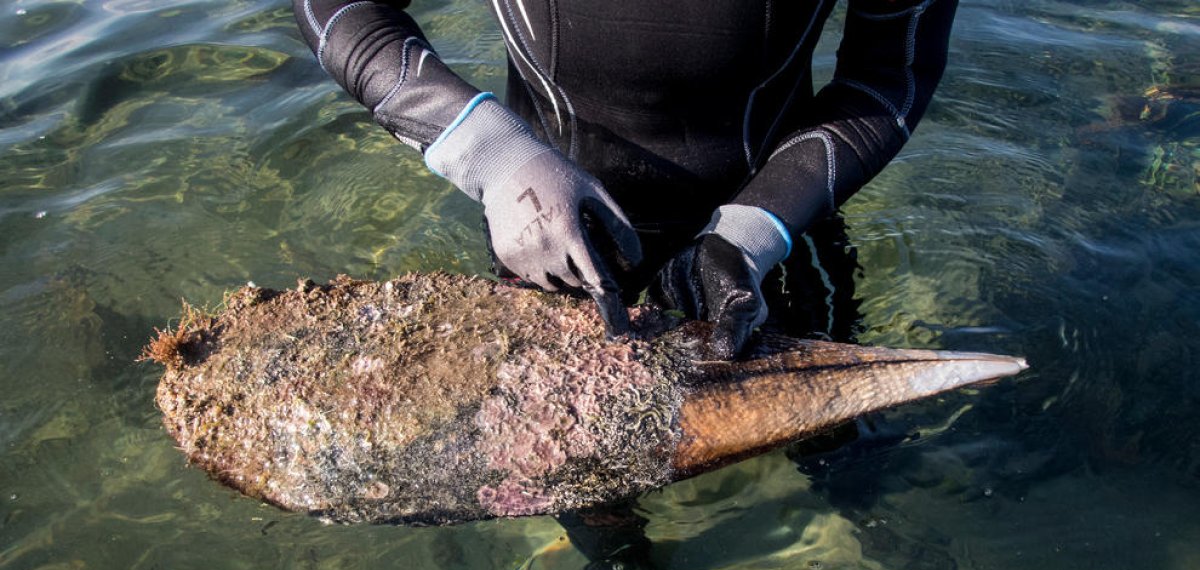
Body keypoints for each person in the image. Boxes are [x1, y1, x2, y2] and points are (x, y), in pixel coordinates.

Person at [292, 0, 958, 358]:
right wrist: (492, 156)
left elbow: (889, 74)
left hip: (777, 227)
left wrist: (754, 231)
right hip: (550, 232)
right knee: (587, 486)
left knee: (837, 438)